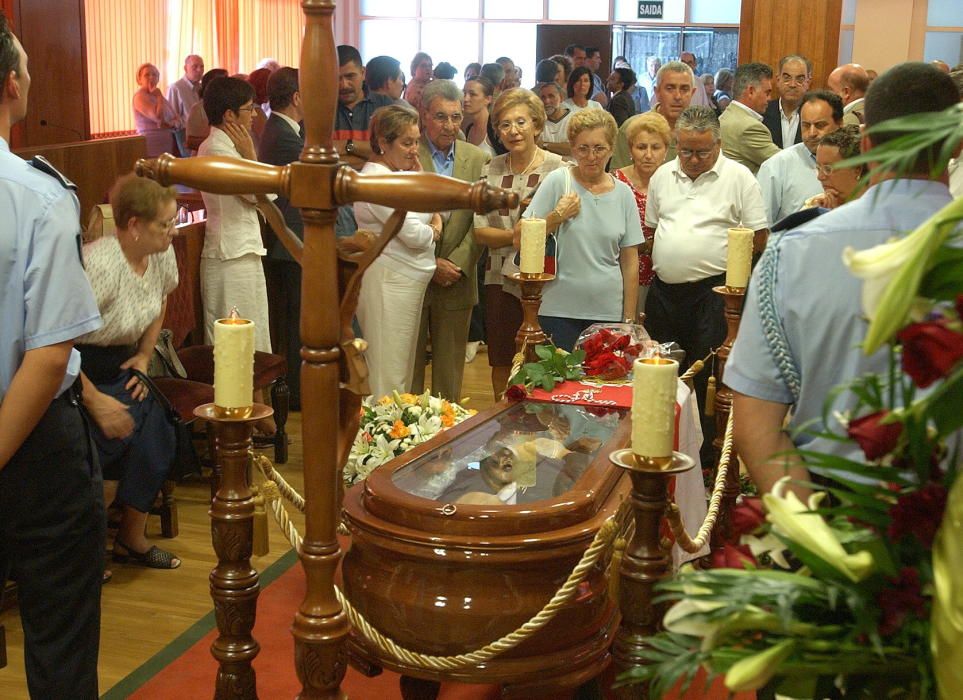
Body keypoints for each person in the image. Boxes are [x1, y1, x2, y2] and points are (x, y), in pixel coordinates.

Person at [724, 62, 960, 496]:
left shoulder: (795, 248)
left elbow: (756, 415)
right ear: (956, 143)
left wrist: (815, 533)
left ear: (866, 143)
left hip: (827, 501)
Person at [1, 16, 105, 695]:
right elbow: (46, 354)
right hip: (31, 442)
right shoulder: (37, 194)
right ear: (12, 84)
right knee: (58, 638)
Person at [645, 104, 768, 458]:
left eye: (701, 151)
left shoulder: (740, 177)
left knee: (707, 377)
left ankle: (707, 459)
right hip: (664, 293)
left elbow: (758, 236)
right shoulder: (663, 176)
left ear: (718, 144)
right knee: (662, 374)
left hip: (713, 295)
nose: (693, 159)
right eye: (685, 150)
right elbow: (653, 230)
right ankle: (661, 448)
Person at [77, 174, 180, 570]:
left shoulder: (159, 253)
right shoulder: (99, 264)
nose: (172, 231)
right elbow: (56, 340)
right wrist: (95, 400)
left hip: (123, 362)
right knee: (110, 440)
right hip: (78, 369)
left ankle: (130, 540)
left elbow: (161, 299)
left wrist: (144, 354)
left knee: (158, 429)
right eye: (164, 224)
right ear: (134, 226)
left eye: (174, 221)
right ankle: (87, 555)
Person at [518, 109, 642, 350]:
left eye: (599, 148)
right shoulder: (558, 182)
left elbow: (630, 262)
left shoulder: (624, 194)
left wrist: (628, 320)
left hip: (607, 311)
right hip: (557, 309)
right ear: (572, 148)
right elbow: (520, 237)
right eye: (583, 148)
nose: (591, 156)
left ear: (611, 149)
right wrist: (557, 216)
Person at [474, 88, 565, 397]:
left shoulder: (559, 169)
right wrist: (517, 237)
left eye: (521, 122)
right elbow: (480, 231)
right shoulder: (490, 169)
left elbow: (567, 226)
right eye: (504, 124)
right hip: (498, 276)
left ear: (537, 125)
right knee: (501, 358)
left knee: (542, 359)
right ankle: (502, 423)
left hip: (545, 279)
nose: (513, 131)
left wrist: (527, 234)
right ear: (497, 131)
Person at [197, 76, 275, 432]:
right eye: (249, 109)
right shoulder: (217, 150)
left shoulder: (227, 148)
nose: (255, 115)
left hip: (242, 252)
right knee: (237, 346)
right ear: (229, 115)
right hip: (229, 257)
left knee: (254, 341)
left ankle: (258, 416)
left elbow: (266, 197)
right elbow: (259, 192)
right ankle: (244, 424)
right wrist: (253, 157)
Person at [354, 105, 442, 398]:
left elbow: (438, 207)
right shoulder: (375, 180)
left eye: (416, 141)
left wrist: (428, 212)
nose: (414, 150)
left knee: (400, 371)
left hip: (405, 281)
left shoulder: (397, 175)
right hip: (388, 282)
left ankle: (395, 437)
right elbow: (415, 235)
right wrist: (434, 227)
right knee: (386, 373)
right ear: (382, 142)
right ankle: (376, 441)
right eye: (406, 142)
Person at [412, 79, 489, 400]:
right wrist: (430, 264)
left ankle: (445, 439)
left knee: (449, 375)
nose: (449, 125)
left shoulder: (477, 159)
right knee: (408, 373)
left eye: (456, 117)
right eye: (441, 116)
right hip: (413, 274)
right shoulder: (407, 154)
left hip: (458, 277)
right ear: (423, 115)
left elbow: (481, 223)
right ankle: (407, 441)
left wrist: (455, 264)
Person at [258, 67, 305, 410]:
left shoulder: (285, 128)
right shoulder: (282, 134)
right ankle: (295, 394)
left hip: (290, 240)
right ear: (298, 98)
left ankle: (296, 391)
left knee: (295, 320)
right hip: (287, 242)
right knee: (292, 324)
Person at [613, 112, 671, 316]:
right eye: (641, 147)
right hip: (621, 276)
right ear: (630, 149)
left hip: (661, 281)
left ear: (665, 151)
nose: (648, 154)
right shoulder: (615, 182)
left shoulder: (673, 182)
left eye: (655, 147)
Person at [757, 90, 842, 223]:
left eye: (820, 125)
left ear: (840, 124)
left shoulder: (857, 163)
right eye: (806, 125)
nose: (812, 133)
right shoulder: (776, 167)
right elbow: (760, 226)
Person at [611, 60, 694, 170]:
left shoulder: (701, 132)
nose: (677, 96)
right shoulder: (632, 128)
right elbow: (617, 179)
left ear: (692, 93)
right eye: (670, 88)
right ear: (657, 92)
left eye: (684, 89)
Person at [334, 45, 394, 170]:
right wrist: (372, 156)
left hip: (376, 186)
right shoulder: (323, 108)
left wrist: (348, 145)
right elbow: (320, 160)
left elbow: (392, 153)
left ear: (363, 73)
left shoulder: (384, 105)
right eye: (337, 78)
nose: (344, 85)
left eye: (350, 76)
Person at [720, 62, 780, 174]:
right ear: (751, 91)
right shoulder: (749, 127)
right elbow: (784, 163)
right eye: (767, 93)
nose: (769, 98)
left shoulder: (727, 115)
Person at [803, 124, 866, 209]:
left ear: (857, 169)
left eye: (828, 169)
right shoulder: (814, 206)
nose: (820, 177)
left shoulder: (882, 210)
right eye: (818, 168)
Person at [762, 55, 811, 148]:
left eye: (800, 79)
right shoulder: (762, 112)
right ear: (778, 80)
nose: (792, 84)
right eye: (787, 78)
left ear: (808, 83)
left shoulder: (814, 115)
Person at [132, 62, 180, 157]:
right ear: (139, 79)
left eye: (154, 75)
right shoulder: (140, 96)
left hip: (167, 143)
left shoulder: (160, 96)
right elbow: (158, 118)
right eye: (147, 75)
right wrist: (158, 96)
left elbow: (177, 118)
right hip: (151, 144)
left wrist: (172, 123)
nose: (151, 77)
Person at [167, 54, 204, 156]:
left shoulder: (202, 87)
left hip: (202, 134)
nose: (199, 70)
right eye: (195, 67)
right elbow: (171, 118)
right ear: (185, 68)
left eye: (202, 67)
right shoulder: (176, 88)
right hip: (185, 134)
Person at [185, 67, 228, 152]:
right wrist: (219, 142)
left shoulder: (229, 105)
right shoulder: (198, 108)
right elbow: (190, 142)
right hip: (205, 155)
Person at [537, 80, 573, 156]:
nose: (547, 101)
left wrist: (545, 145)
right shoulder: (538, 122)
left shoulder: (574, 119)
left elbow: (574, 148)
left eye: (551, 96)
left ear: (561, 97)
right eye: (543, 97)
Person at [462, 75, 495, 157]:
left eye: (472, 94)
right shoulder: (469, 128)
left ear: (488, 99)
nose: (466, 99)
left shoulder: (495, 129)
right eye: (464, 93)